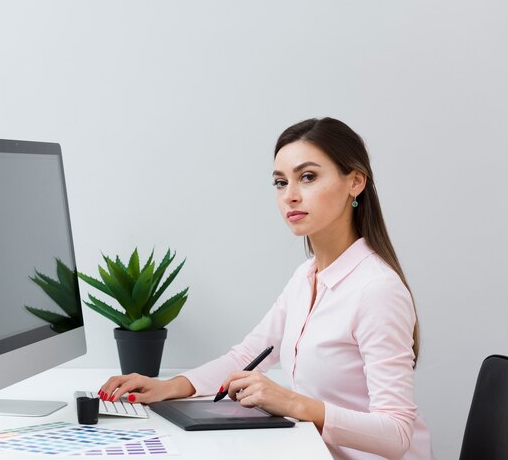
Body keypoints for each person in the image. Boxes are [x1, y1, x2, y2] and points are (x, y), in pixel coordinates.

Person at [98, 117, 433, 460]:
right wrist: (170, 387)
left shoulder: (376, 290)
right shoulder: (306, 277)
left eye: (308, 177)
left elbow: (397, 434)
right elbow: (247, 356)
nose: (290, 196)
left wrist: (292, 403)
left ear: (356, 182)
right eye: (279, 182)